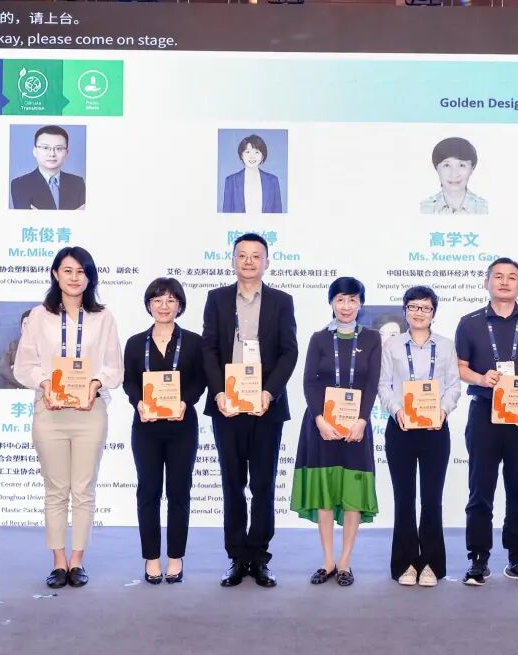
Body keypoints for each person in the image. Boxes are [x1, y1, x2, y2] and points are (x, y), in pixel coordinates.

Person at [13, 246, 123, 588]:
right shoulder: (38, 316)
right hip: (50, 413)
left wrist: (95, 384)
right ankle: (58, 562)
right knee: (56, 489)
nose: (75, 277)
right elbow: (23, 366)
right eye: (68, 270)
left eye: (81, 271)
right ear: (55, 274)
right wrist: (45, 383)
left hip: (90, 412)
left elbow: (114, 368)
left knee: (84, 489)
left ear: (90, 277)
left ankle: (78, 561)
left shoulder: (103, 317)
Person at [201, 232, 298, 587]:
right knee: (232, 483)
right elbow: (209, 349)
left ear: (266, 262)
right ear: (233, 260)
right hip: (227, 406)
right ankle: (236, 557)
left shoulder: (282, 301)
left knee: (263, 483)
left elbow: (289, 351)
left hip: (265, 407)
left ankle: (258, 557)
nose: (248, 261)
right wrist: (218, 393)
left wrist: (270, 392)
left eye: (256, 256)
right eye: (242, 255)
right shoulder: (216, 299)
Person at [455, 258, 518, 587]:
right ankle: (478, 559)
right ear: (486, 282)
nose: (504, 282)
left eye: (512, 277)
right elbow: (460, 367)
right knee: (480, 489)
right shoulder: (469, 323)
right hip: (484, 413)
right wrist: (480, 378)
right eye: (497, 276)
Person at [291, 277, 382, 587]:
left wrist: (362, 420)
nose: (346, 306)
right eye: (340, 299)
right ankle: (328, 561)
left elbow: (372, 383)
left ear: (360, 304)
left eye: (352, 300)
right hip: (322, 427)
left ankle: (345, 563)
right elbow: (309, 381)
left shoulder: (372, 338)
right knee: (325, 493)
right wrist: (319, 418)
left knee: (353, 493)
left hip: (356, 427)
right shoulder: (319, 338)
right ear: (331, 302)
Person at [122, 277, 206, 585]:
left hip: (182, 426)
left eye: (171, 300)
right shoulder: (135, 343)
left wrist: (185, 401)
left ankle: (175, 557)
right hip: (145, 427)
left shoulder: (194, 342)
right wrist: (138, 402)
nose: (164, 306)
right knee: (148, 492)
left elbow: (200, 380)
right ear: (149, 305)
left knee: (179, 492)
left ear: (180, 305)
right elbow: (129, 381)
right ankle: (151, 558)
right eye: (157, 300)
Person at [377, 286, 460, 587]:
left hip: (435, 431)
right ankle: (406, 562)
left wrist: (443, 411)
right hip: (400, 429)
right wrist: (397, 410)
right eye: (413, 307)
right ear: (405, 311)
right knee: (404, 499)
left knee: (432, 499)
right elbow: (383, 385)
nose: (419, 313)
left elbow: (454, 385)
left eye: (425, 307)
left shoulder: (446, 346)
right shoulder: (392, 346)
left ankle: (431, 564)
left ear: (433, 313)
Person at [10, 125, 86, 210]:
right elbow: (26, 217)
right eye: (45, 148)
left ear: (66, 153)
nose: (52, 154)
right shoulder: (20, 185)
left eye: (59, 148)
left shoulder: (77, 183)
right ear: (35, 151)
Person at [420, 137, 488, 215]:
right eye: (446, 165)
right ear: (436, 168)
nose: (454, 174)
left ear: (472, 169)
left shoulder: (484, 208)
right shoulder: (423, 209)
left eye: (462, 165)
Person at [221, 134, 284, 213]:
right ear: (242, 155)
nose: (252, 156)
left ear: (262, 156)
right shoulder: (231, 181)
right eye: (248, 152)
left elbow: (278, 214)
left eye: (257, 152)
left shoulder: (272, 181)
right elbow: (226, 215)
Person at [0, 309, 30, 389]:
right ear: (21, 327)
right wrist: (22, 384)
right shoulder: (13, 345)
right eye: (25, 324)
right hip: (14, 386)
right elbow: (2, 367)